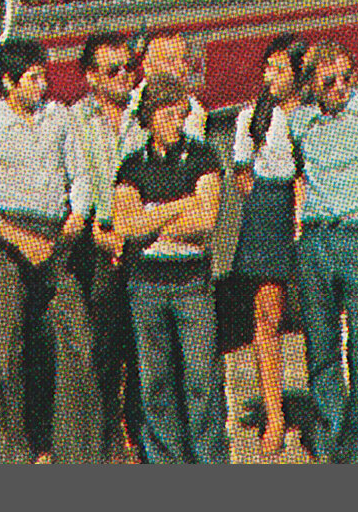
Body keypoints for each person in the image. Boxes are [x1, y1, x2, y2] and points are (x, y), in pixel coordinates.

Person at [0, 37, 100, 462]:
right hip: (5, 240)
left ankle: (76, 453)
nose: (43, 85)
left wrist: (79, 212)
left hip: (56, 235)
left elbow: (81, 175)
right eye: (33, 78)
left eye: (43, 76)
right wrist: (18, 238)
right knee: (4, 345)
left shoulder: (60, 119)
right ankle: (5, 457)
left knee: (77, 337)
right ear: (9, 82)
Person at [288, 40, 358, 461]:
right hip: (315, 239)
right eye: (328, 80)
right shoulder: (300, 121)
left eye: (346, 77)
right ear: (312, 84)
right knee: (320, 343)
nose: (339, 87)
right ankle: (331, 432)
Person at [115, 72, 229, 461]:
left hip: (191, 283)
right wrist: (181, 204)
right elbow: (127, 225)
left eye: (179, 113)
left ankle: (209, 460)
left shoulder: (203, 157)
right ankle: (166, 461)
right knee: (155, 382)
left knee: (201, 378)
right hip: (146, 286)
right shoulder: (132, 165)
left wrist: (152, 216)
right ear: (148, 118)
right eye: (165, 114)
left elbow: (206, 220)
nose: (175, 122)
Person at [226, 35, 306, 458]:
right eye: (267, 67)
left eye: (279, 68)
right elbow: (242, 175)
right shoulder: (251, 118)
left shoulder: (312, 115)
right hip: (267, 209)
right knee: (267, 317)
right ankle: (274, 414)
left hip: (307, 207)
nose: (269, 76)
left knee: (317, 317)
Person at [69, 30, 142, 459]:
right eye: (113, 70)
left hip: (139, 236)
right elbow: (77, 178)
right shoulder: (74, 120)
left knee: (141, 341)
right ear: (92, 77)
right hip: (96, 240)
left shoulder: (142, 114)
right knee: (102, 344)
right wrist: (100, 231)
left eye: (128, 68)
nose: (124, 76)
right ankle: (106, 435)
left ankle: (137, 429)